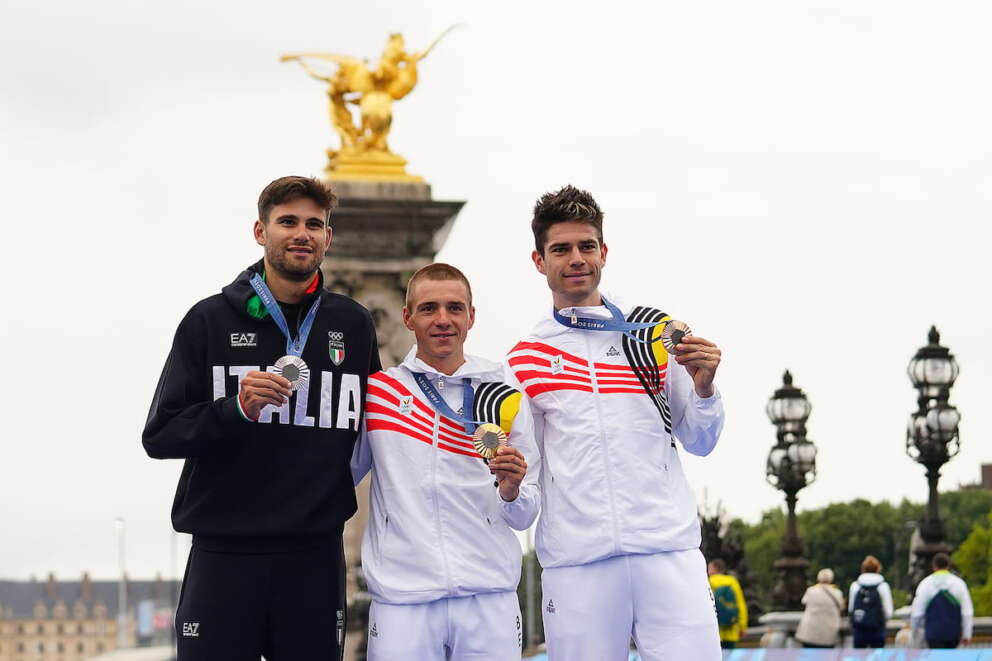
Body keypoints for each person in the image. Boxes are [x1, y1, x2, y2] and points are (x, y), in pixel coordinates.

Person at [143, 175, 381, 661]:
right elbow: (160, 433)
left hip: (314, 556)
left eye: (315, 224)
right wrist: (234, 409)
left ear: (328, 238)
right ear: (260, 231)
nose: (302, 233)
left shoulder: (353, 325)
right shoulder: (208, 320)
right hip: (225, 554)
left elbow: (378, 432)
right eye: (287, 221)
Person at [507, 185, 725, 660]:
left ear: (604, 252)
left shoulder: (653, 331)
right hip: (578, 564)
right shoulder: (524, 360)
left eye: (587, 246)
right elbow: (527, 484)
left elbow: (701, 440)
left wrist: (705, 388)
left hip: (666, 551)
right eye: (560, 249)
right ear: (539, 260)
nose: (576, 259)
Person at [351, 263, 540, 660]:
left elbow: (525, 514)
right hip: (404, 601)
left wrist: (512, 491)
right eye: (428, 308)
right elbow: (339, 477)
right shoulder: (379, 393)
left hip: (487, 599)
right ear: (408, 317)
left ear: (471, 315)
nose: (442, 320)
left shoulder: (504, 393)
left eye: (455, 308)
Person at [911, 552, 974, 649]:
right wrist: (967, 634)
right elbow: (967, 612)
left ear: (934, 566)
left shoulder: (925, 584)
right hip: (953, 634)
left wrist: (914, 633)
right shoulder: (959, 584)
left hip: (932, 634)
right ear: (948, 566)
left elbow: (917, 614)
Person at [848, 555, 894, 649]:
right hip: (877, 628)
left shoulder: (855, 585)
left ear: (863, 569)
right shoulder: (883, 586)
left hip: (859, 628)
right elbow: (889, 611)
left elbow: (851, 609)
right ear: (878, 569)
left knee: (859, 657)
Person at [795, 568, 844, 648]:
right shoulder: (837, 593)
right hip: (829, 633)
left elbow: (804, 602)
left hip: (810, 632)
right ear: (831, 579)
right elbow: (841, 607)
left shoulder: (811, 591)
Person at [707, 559, 748, 649]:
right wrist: (742, 626)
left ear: (714, 569)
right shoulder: (732, 581)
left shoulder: (708, 582)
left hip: (715, 630)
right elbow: (740, 604)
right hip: (732, 628)